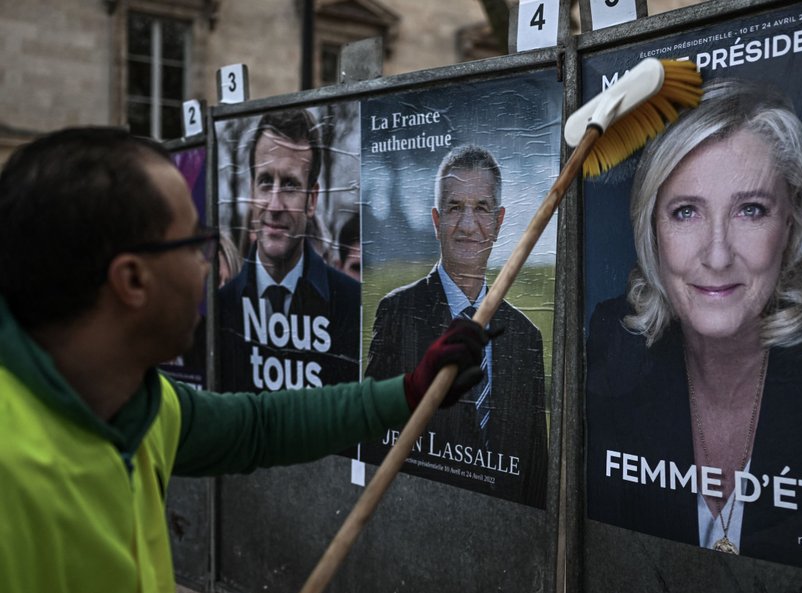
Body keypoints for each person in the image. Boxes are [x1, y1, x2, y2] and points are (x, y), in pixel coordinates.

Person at [0, 127, 490, 592]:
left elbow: (260, 426)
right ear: (131, 281)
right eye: (195, 243)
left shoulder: (143, 404)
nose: (208, 265)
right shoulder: (13, 478)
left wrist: (408, 391)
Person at [585, 79, 802, 586]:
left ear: (792, 222)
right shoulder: (615, 338)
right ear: (651, 228)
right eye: (686, 211)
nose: (717, 255)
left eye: (750, 210)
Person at [365, 144, 548, 508]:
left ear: (498, 222)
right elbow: (371, 440)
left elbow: (535, 470)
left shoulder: (526, 336)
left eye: (481, 208)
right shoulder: (397, 314)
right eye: (454, 208)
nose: (467, 224)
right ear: (436, 221)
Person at [218, 109, 360, 391]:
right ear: (251, 190)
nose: (274, 205)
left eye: (290, 185)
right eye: (265, 182)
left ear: (312, 200)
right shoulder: (220, 311)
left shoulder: (351, 307)